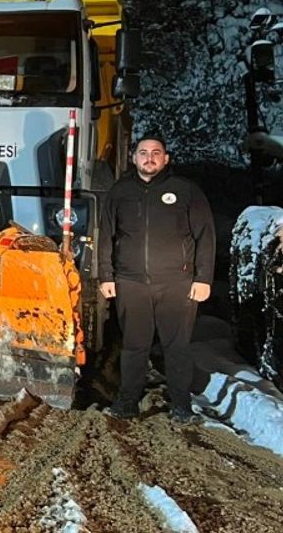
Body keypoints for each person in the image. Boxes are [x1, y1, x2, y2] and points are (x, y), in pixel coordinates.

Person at [99, 135, 215, 424]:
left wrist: (203, 278)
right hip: (131, 283)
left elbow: (206, 237)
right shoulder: (119, 192)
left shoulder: (186, 191)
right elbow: (105, 237)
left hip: (177, 283)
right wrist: (106, 275)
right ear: (134, 158)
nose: (149, 158)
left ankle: (182, 406)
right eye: (143, 153)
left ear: (166, 158)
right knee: (134, 346)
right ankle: (127, 402)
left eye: (156, 153)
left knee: (176, 347)